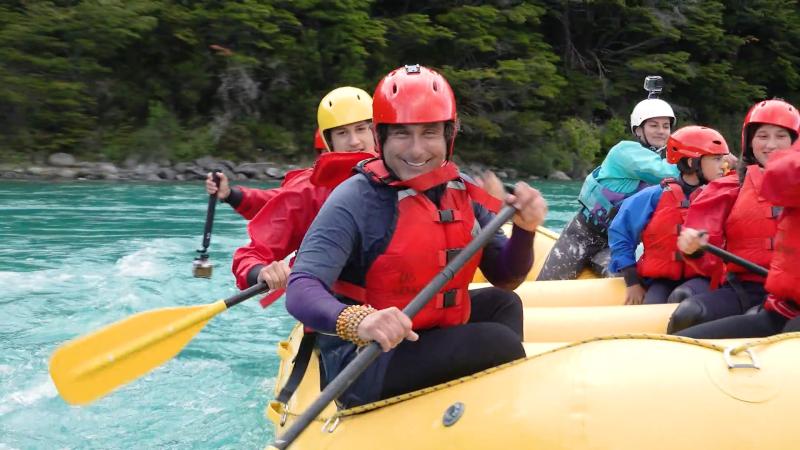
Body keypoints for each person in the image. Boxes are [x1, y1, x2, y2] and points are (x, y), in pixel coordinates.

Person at [283, 65, 548, 408]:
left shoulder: (460, 189)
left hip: (423, 334)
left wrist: (525, 231)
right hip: (366, 359)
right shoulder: (356, 199)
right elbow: (301, 288)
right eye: (402, 134)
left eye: (429, 133)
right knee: (498, 341)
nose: (417, 150)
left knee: (503, 304)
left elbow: (505, 276)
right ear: (381, 138)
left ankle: (478, 408)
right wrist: (361, 320)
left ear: (448, 136)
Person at [669, 99, 800, 335]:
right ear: (749, 142)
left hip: (788, 295)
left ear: (794, 141)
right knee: (688, 313)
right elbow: (704, 243)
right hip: (746, 287)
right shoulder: (729, 187)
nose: (771, 144)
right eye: (762, 136)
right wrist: (694, 247)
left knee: (759, 319)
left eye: (781, 136)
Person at [231, 87, 376, 299]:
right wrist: (261, 272)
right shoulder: (307, 191)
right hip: (336, 308)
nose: (354, 141)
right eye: (342, 133)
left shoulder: (403, 173)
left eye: (361, 129)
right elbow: (250, 255)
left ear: (376, 131)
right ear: (330, 140)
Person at [537, 91, 680, 280]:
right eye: (654, 125)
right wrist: (696, 162)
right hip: (581, 234)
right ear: (638, 130)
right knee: (547, 285)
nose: (661, 131)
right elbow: (666, 173)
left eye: (666, 126)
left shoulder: (665, 161)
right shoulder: (625, 152)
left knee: (626, 282)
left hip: (615, 245)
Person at [608, 125, 730, 305]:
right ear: (692, 163)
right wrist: (632, 281)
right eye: (717, 159)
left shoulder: (724, 197)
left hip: (704, 278)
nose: (724, 165)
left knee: (681, 296)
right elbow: (620, 232)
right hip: (662, 279)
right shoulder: (653, 197)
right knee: (652, 304)